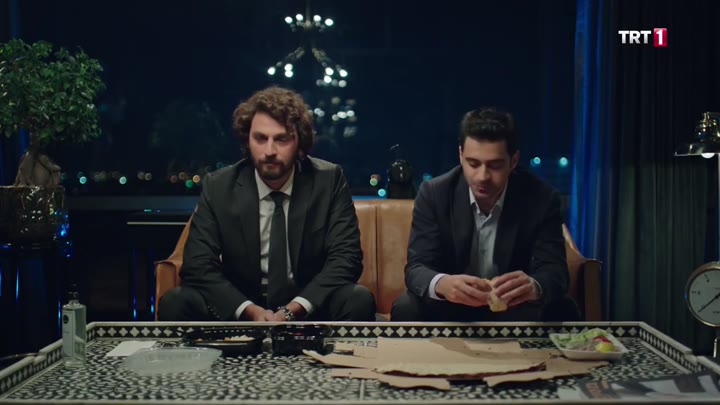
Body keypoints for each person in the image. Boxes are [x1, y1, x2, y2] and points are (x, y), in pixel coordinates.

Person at [159, 86, 376, 322]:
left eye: (281, 139)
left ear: (299, 142)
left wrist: (291, 310)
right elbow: (197, 265)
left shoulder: (328, 180)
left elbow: (346, 259)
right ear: (247, 140)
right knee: (176, 301)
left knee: (358, 299)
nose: (270, 151)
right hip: (240, 309)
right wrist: (250, 311)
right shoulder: (219, 186)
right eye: (260, 138)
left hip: (308, 310)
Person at [391, 108, 576, 322]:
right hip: (450, 305)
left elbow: (555, 271)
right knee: (406, 306)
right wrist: (443, 284)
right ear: (461, 155)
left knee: (564, 308)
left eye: (495, 165)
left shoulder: (541, 198)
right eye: (473, 163)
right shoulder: (435, 194)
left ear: (513, 161)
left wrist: (533, 286)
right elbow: (417, 268)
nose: (482, 176)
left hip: (514, 307)